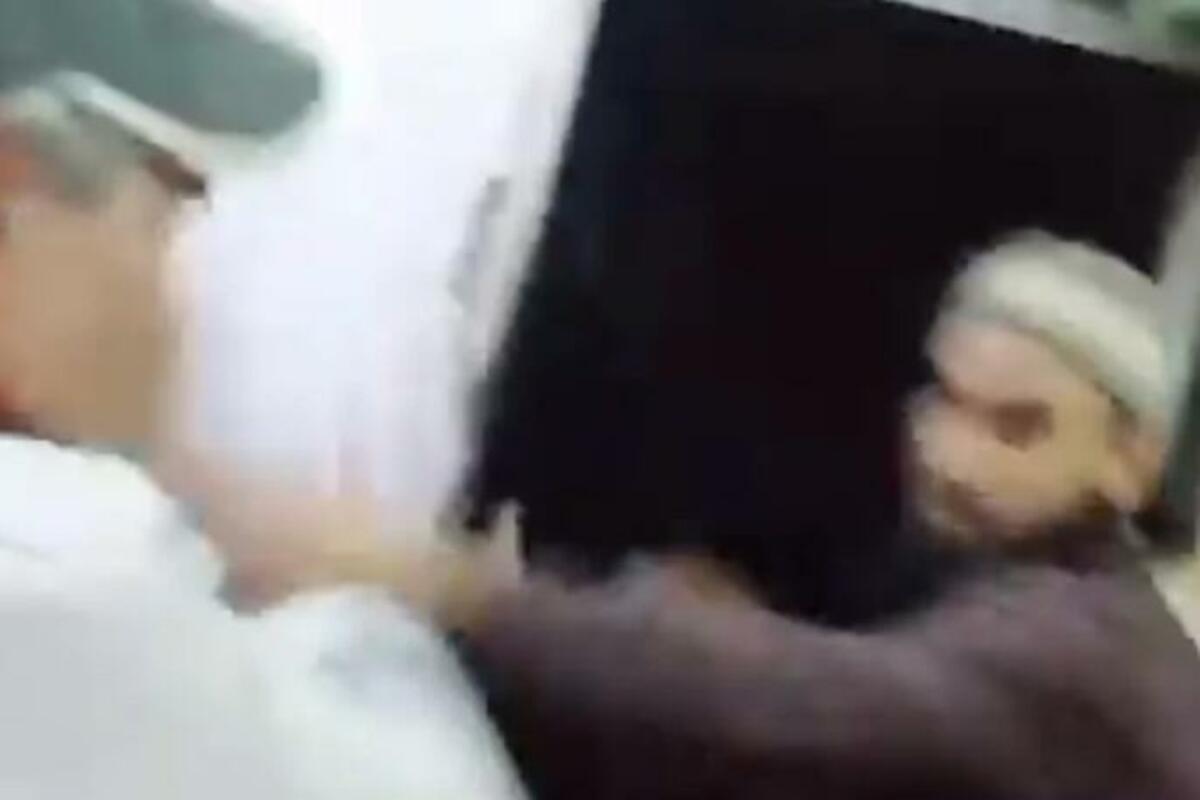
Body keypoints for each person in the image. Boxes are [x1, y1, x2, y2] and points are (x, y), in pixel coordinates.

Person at [227, 231, 1200, 799]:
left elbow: (817, 701)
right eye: (942, 398)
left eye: (1019, 427)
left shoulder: (1082, 653)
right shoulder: (1014, 580)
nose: (951, 455)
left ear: (1132, 461)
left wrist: (454, 587)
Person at [0, 2, 525, 798]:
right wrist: (436, 599)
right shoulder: (79, 587)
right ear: (15, 183)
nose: (178, 306)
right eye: (170, 213)